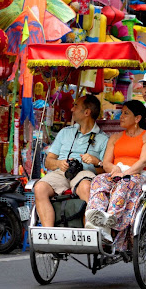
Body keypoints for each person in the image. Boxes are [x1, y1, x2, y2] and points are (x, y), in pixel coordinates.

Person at [85, 100, 146, 249]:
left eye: (125, 113)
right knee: (98, 180)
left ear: (137, 118)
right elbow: (106, 162)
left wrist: (125, 173)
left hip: (138, 175)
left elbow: (143, 162)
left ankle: (110, 221)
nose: (121, 116)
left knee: (125, 183)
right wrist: (114, 169)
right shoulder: (115, 137)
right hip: (116, 173)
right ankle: (95, 219)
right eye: (121, 113)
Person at [34, 94, 109, 227]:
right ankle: (49, 235)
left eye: (76, 106)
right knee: (39, 188)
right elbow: (48, 162)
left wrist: (95, 161)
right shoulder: (65, 132)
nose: (72, 109)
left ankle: (89, 233)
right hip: (61, 172)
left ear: (87, 112)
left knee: (86, 187)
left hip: (85, 173)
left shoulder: (103, 138)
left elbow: (104, 170)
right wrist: (59, 163)